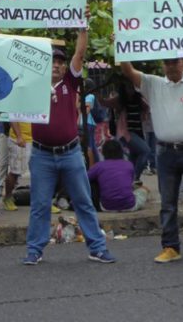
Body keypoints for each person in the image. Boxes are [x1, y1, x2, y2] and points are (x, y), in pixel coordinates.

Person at [24, 25, 115, 267]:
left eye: (60, 62)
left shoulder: (70, 83)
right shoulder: (31, 83)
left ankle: (97, 247)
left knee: (83, 201)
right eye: (52, 61)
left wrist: (83, 28)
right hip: (42, 154)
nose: (56, 65)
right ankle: (34, 250)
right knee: (40, 205)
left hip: (70, 152)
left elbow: (80, 53)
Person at [120, 54, 183, 265]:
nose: (170, 65)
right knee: (168, 203)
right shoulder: (153, 83)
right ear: (162, 64)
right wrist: (120, 46)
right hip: (165, 152)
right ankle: (170, 247)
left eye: (174, 61)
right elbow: (128, 71)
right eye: (166, 62)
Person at [88, 140, 145, 212]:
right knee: (143, 189)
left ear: (103, 152)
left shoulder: (99, 166)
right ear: (121, 151)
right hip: (129, 205)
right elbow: (130, 182)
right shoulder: (128, 164)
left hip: (106, 206)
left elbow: (86, 179)